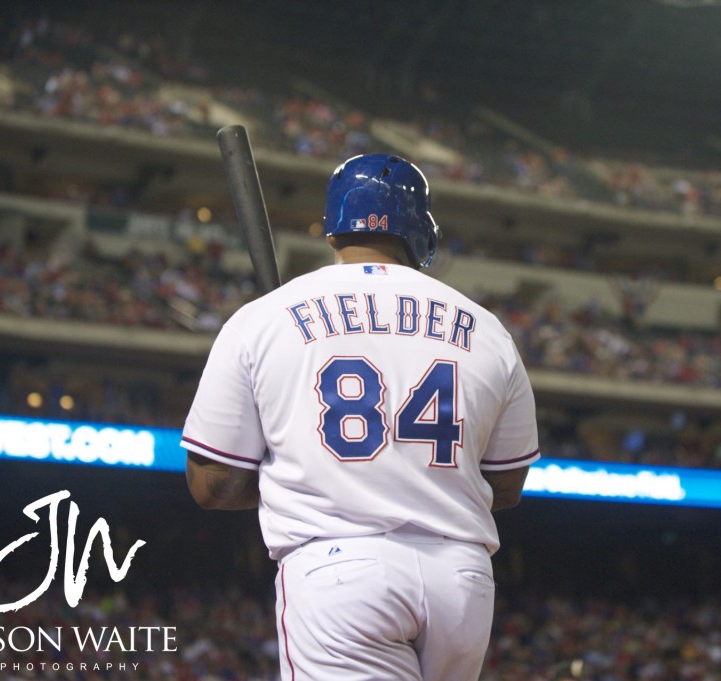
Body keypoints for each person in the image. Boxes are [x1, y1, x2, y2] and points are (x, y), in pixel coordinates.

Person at [182, 153, 540, 680]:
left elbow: (212, 485)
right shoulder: (486, 329)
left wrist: (302, 468)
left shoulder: (264, 319)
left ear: (332, 233)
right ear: (422, 233)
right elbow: (507, 484)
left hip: (339, 572)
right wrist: (406, 472)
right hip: (461, 581)